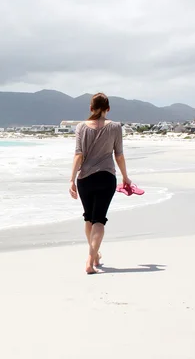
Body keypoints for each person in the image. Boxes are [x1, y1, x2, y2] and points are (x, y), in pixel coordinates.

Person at [68, 92, 131, 275]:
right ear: (108, 109)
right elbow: (118, 155)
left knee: (89, 218)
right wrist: (126, 177)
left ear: (90, 108)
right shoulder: (115, 127)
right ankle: (90, 259)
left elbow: (78, 155)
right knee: (99, 220)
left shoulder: (81, 127)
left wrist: (71, 179)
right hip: (106, 177)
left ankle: (94, 256)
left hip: (85, 179)